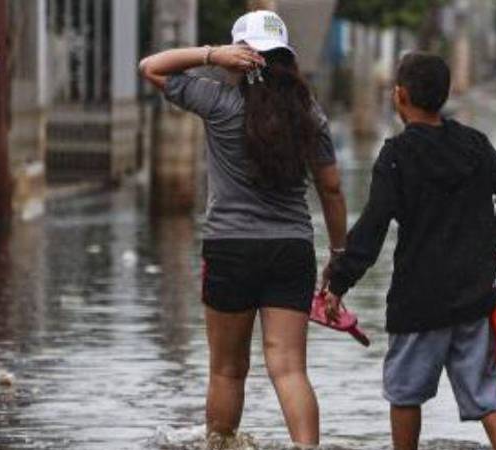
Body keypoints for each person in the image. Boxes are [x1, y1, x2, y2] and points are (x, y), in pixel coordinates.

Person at [138, 11, 348, 447]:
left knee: (227, 369)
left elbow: (150, 67)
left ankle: (220, 444)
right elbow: (331, 188)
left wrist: (211, 54)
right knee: (289, 368)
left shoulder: (217, 102)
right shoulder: (309, 115)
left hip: (230, 249)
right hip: (291, 250)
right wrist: (338, 256)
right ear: (286, 59)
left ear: (241, 55)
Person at [321, 52, 496, 450]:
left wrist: (338, 282)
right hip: (473, 294)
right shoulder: (473, 144)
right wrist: (494, 245)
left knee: (405, 394)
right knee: (486, 392)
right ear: (445, 95)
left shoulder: (396, 156)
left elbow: (372, 228)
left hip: (418, 299)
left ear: (400, 96)